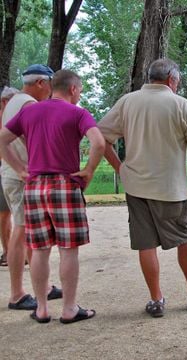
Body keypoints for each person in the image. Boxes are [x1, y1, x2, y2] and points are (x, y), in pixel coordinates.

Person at [98, 58, 187, 318]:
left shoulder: (128, 101)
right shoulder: (181, 104)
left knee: (146, 244)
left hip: (136, 185)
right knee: (184, 239)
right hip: (170, 188)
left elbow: (100, 136)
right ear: (172, 79)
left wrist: (120, 167)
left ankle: (156, 300)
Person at [0, 69, 104, 323]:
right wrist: (89, 170)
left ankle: (42, 309)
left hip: (34, 186)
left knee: (39, 249)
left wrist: (20, 169)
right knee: (69, 250)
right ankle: (69, 309)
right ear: (72, 89)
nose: (79, 95)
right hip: (65, 183)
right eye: (80, 90)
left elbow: (1, 139)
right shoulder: (78, 113)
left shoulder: (30, 111)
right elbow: (99, 142)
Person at [1, 65, 63, 310]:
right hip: (21, 177)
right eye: (50, 84)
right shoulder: (28, 104)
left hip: (17, 174)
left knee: (28, 232)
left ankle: (43, 286)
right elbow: (35, 141)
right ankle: (16, 294)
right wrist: (22, 169)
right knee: (22, 230)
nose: (51, 90)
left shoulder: (15, 101)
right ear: (40, 83)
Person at [0, 87, 17, 266]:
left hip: (11, 170)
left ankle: (13, 252)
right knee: (5, 214)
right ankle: (7, 252)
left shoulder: (14, 119)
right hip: (5, 170)